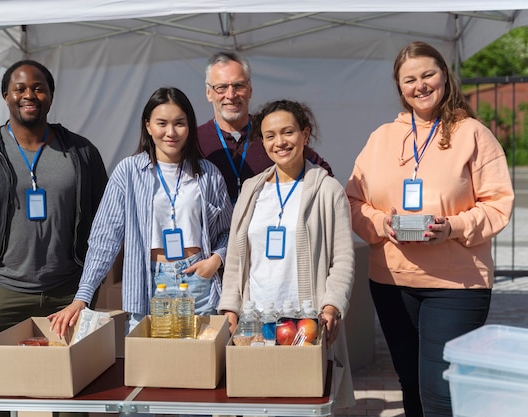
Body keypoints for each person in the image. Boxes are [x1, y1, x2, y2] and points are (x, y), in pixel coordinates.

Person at [345, 41, 514, 417]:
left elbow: (499, 202)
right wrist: (380, 223)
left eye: (428, 75)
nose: (420, 85)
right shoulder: (381, 138)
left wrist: (452, 226)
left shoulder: (473, 133)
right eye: (410, 79)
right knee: (410, 380)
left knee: (440, 389)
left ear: (444, 76)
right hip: (392, 281)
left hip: (457, 284)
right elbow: (354, 201)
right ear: (400, 87)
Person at [0, 60, 108, 343]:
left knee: (67, 380)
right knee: (1, 383)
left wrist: (91, 284)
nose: (29, 95)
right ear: (6, 96)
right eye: (19, 89)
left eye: (38, 88)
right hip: (0, 294)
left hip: (68, 293)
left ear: (51, 96)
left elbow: (107, 220)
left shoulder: (81, 152)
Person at [49, 87, 232, 337]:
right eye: (162, 123)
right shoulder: (129, 172)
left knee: (201, 364)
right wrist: (84, 295)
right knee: (150, 369)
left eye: (179, 123)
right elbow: (105, 238)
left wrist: (216, 259)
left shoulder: (207, 174)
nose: (171, 132)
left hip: (198, 281)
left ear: (189, 126)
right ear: (147, 126)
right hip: (149, 284)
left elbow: (228, 231)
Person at [218, 99, 355, 409]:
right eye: (270, 135)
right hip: (256, 323)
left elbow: (343, 258)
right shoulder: (253, 190)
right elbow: (237, 259)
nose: (279, 142)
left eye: (288, 132)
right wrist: (230, 306)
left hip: (305, 322)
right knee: (256, 404)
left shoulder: (327, 189)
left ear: (305, 135)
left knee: (303, 404)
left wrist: (332, 305)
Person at [198, 51, 334, 203]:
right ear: (209, 93)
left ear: (250, 90)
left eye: (238, 85)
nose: (231, 95)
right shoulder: (195, 140)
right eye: (221, 87)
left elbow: (323, 173)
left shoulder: (271, 133)